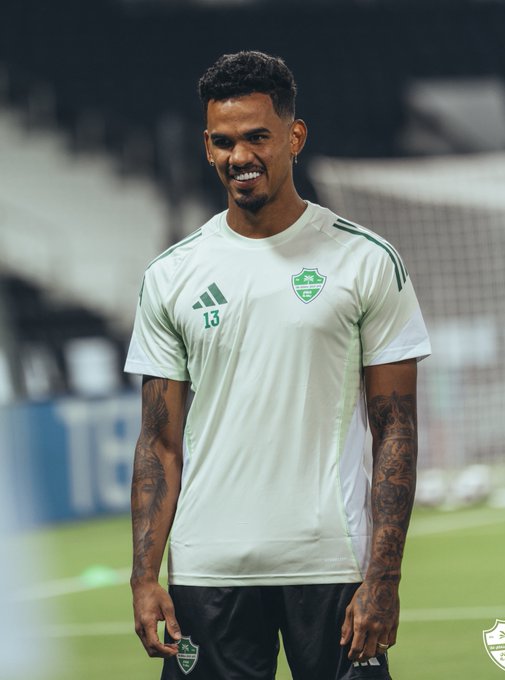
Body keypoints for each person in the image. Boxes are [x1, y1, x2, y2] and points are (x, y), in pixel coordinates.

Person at [125, 50, 431, 680]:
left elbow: (395, 428)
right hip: (207, 572)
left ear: (294, 137)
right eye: (223, 141)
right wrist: (143, 576)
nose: (240, 156)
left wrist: (385, 578)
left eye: (257, 137)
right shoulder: (171, 275)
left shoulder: (366, 260)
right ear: (207, 147)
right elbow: (159, 442)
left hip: (333, 566)